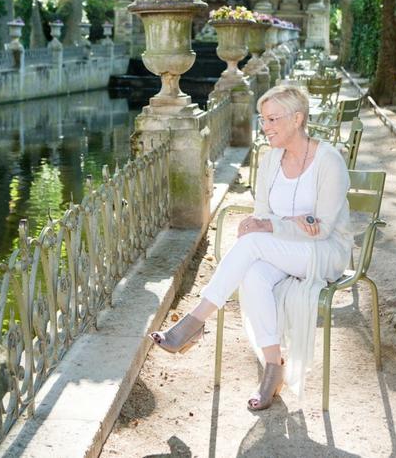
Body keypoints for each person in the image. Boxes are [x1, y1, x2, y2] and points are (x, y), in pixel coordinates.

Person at [149, 85, 351, 411]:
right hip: (282, 249)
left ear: (297, 118)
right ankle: (274, 368)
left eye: (272, 119)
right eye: (262, 118)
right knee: (253, 274)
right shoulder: (270, 160)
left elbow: (321, 229)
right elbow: (263, 215)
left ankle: (194, 322)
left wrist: (272, 225)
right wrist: (282, 222)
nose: (265, 126)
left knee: (254, 242)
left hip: (324, 252)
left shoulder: (329, 161)